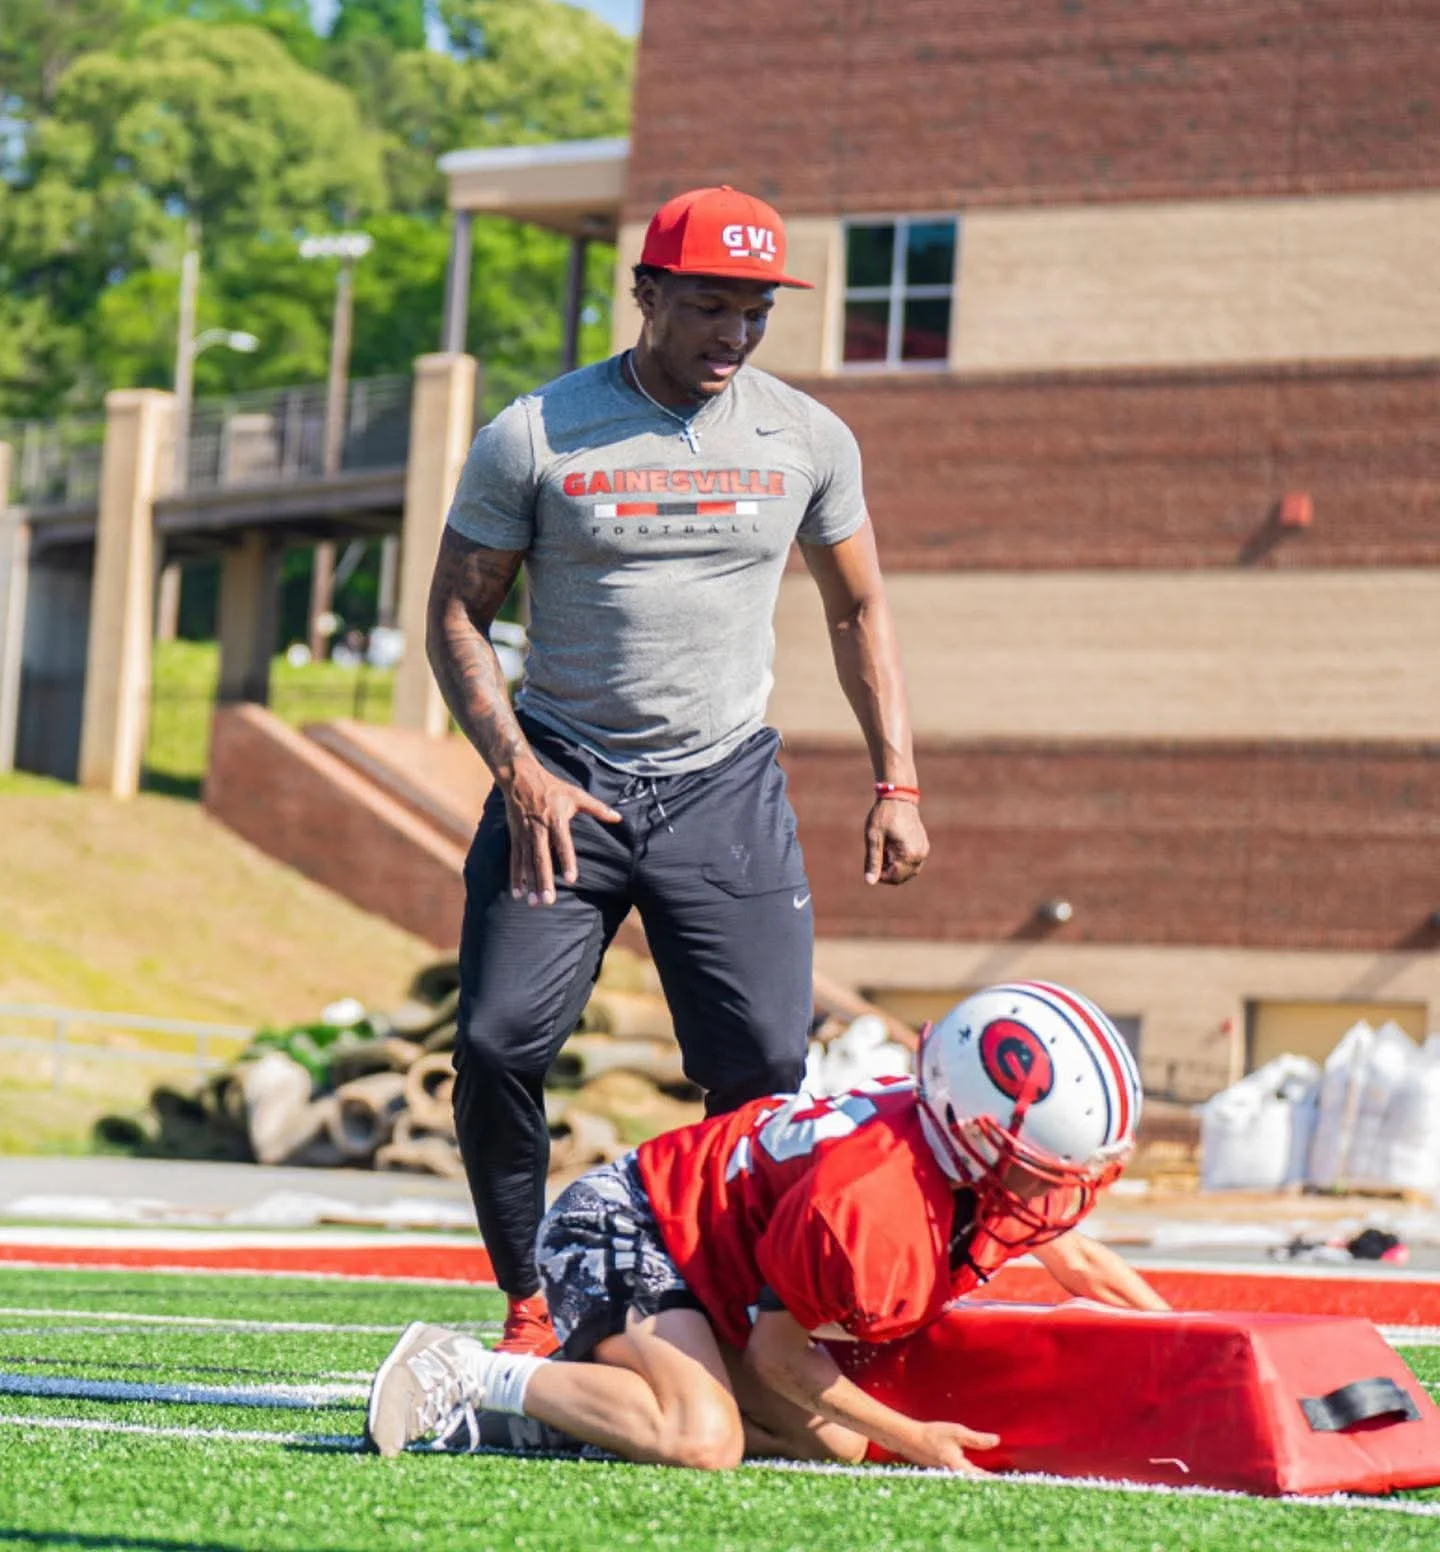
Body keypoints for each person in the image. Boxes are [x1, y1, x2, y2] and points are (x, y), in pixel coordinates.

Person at [426, 184, 929, 1355]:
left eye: (754, 313)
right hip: (562, 781)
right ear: (646, 293)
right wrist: (516, 768)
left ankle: (716, 1311)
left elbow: (859, 610)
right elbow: (457, 615)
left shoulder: (807, 437)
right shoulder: (536, 433)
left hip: (723, 787)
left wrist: (896, 780)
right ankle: (529, 1300)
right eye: (708, 307)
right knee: (499, 1043)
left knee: (761, 1070)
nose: (732, 337)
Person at [365, 980, 1169, 1469]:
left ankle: (562, 1416)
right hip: (629, 1227)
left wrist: (1183, 1343)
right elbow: (782, 1356)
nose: (1054, 1192)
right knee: (703, 1439)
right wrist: (918, 1438)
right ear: (971, 1130)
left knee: (841, 1443)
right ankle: (472, 1373)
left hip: (713, 1257)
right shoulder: (870, 1205)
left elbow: (1081, 1263)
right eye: (1040, 1167)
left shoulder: (961, 1156)